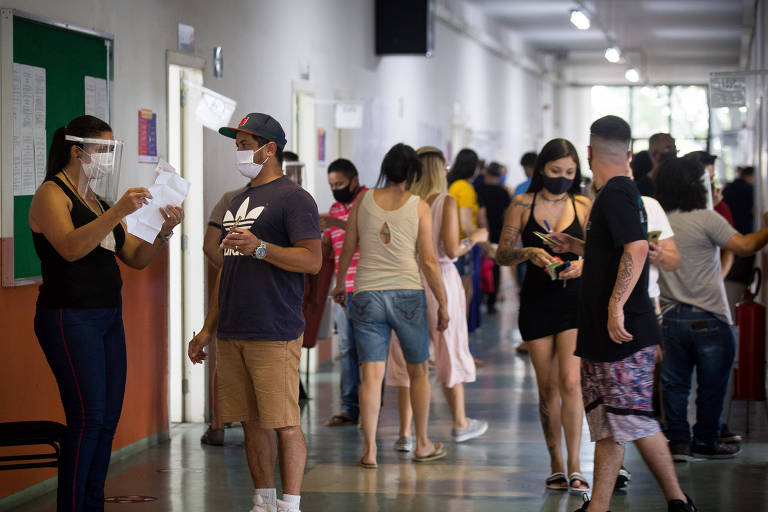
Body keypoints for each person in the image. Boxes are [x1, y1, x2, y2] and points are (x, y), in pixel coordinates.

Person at [30, 115, 184, 511]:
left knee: (107, 419)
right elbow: (69, 247)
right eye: (103, 150)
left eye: (112, 151)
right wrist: (117, 211)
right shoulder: (52, 193)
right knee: (87, 418)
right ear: (76, 151)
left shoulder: (95, 200)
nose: (108, 159)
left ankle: (92, 502)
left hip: (107, 317)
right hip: (69, 316)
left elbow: (133, 257)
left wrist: (164, 232)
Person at [550, 116, 696, 512]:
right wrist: (579, 245)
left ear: (588, 153)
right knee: (609, 423)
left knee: (634, 419)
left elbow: (634, 248)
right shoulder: (619, 194)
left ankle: (679, 501)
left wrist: (615, 306)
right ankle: (598, 505)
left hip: (622, 332)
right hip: (606, 333)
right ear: (629, 153)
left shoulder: (615, 193)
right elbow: (617, 250)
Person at [188, 113, 322, 512]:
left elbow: (311, 261)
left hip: (273, 328)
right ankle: (263, 500)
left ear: (269, 149)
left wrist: (262, 248)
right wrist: (207, 328)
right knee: (249, 421)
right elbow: (227, 269)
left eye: (246, 144)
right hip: (232, 330)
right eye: (237, 144)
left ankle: (291, 503)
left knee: (284, 421)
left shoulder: (294, 199)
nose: (240, 151)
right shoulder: (238, 201)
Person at [331, 143, 449, 467]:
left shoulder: (363, 201)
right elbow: (427, 259)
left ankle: (369, 450)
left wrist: (341, 284)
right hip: (407, 294)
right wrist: (443, 301)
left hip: (366, 292)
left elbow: (348, 248)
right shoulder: (418, 205)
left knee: (371, 374)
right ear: (413, 173)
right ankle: (422, 444)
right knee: (418, 371)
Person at [655, 156, 768, 462]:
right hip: (709, 318)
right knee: (713, 384)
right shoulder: (706, 218)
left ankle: (677, 442)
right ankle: (706, 439)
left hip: (670, 316)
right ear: (697, 185)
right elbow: (744, 246)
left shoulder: (660, 221)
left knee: (675, 384)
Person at [496, 138, 591, 493]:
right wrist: (529, 253)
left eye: (569, 172)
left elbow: (601, 252)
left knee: (571, 382)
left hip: (574, 303)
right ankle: (556, 464)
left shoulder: (583, 205)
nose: (562, 178)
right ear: (541, 170)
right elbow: (502, 254)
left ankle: (577, 465)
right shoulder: (521, 204)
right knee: (547, 385)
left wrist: (581, 264)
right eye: (555, 171)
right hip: (536, 301)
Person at [386, 145, 489, 447]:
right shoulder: (446, 201)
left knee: (406, 357)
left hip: (406, 278)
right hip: (440, 279)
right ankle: (459, 422)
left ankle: (405, 434)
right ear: (440, 171)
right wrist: (477, 238)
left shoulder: (404, 201)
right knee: (450, 347)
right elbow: (452, 250)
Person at [319, 158, 367, 427]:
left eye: (339, 184)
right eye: (331, 185)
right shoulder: (335, 208)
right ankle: (349, 409)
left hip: (367, 289)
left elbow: (368, 234)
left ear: (354, 181)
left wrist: (335, 223)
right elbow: (333, 251)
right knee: (347, 351)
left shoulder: (369, 202)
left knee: (370, 353)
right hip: (342, 291)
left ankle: (372, 407)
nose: (336, 189)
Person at [475, 161, 511, 313]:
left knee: (478, 265)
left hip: (478, 233)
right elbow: (508, 214)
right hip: (497, 234)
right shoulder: (503, 193)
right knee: (494, 267)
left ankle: (479, 297)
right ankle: (491, 300)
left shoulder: (477, 189)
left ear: (487, 173)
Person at [635, 133, 676, 197]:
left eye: (674, 148)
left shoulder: (677, 177)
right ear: (655, 153)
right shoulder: (641, 188)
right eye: (668, 148)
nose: (673, 152)